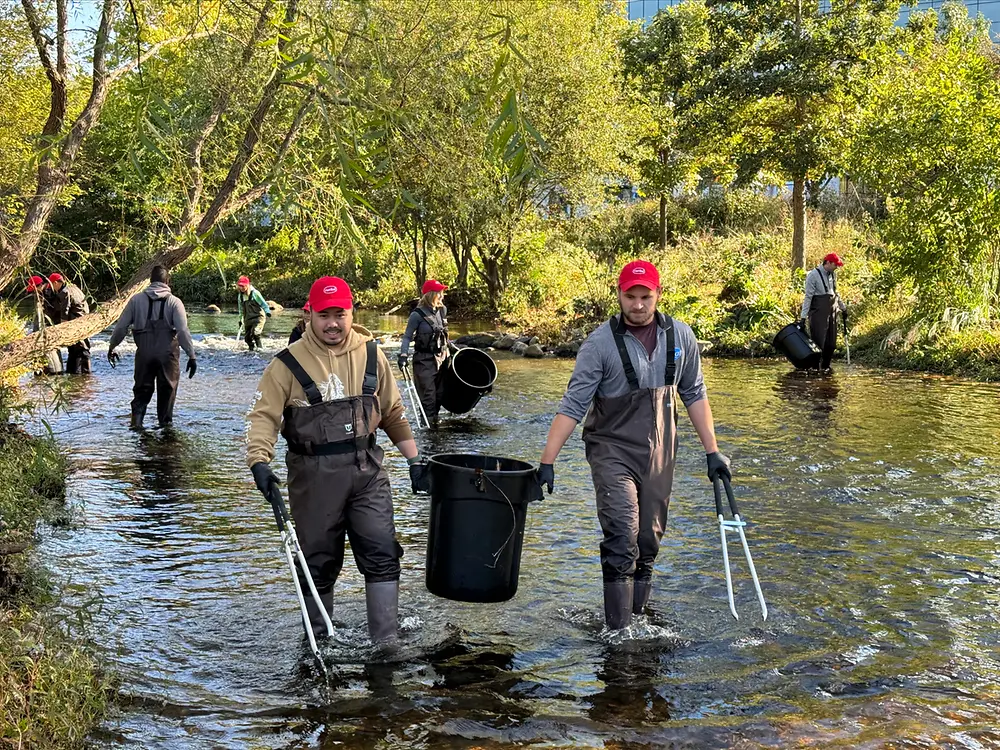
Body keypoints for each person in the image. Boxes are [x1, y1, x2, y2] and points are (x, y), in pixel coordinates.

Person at [536, 260, 732, 631]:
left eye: (646, 296)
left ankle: (639, 622)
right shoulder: (599, 345)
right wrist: (548, 461)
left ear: (658, 295)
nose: (638, 305)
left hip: (661, 452)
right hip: (611, 451)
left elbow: (694, 393)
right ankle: (619, 635)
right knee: (622, 534)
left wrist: (712, 451)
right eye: (631, 296)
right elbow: (573, 406)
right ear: (619, 295)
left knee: (648, 540)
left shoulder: (682, 337)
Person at [245, 276, 428, 644]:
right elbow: (263, 417)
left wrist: (415, 461)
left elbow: (392, 412)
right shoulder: (285, 364)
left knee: (381, 551)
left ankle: (386, 645)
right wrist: (259, 463)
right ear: (309, 314)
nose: (333, 323)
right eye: (324, 315)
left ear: (351, 311)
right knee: (318, 563)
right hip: (312, 479)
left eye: (340, 314)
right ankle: (318, 644)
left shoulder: (373, 354)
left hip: (368, 473)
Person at [107, 266, 198, 430]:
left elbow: (121, 327)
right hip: (168, 356)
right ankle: (165, 431)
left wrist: (112, 346)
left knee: (141, 392)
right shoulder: (175, 302)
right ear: (167, 281)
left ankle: (137, 427)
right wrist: (191, 355)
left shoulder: (135, 300)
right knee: (167, 392)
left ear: (150, 281)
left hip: (144, 355)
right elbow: (183, 331)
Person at [397, 279, 450, 425]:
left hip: (442, 358)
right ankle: (428, 430)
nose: (442, 295)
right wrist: (403, 355)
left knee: (440, 395)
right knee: (429, 397)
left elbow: (444, 336)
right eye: (439, 292)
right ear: (431, 294)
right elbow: (407, 336)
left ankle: (434, 425)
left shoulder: (442, 310)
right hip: (424, 361)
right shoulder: (417, 315)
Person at [800, 253, 847, 372]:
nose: (837, 267)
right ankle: (815, 368)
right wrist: (803, 318)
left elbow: (835, 293)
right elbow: (808, 297)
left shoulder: (833, 275)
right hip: (818, 312)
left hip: (832, 310)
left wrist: (843, 308)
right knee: (818, 342)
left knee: (831, 344)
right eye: (835, 265)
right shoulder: (812, 275)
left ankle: (826, 366)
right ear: (828, 263)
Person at [48, 273, 91, 374]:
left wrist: (62, 329)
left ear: (56, 283)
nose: (53, 289)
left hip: (76, 321)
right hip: (84, 319)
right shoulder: (74, 287)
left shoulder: (64, 292)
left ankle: (80, 372)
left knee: (78, 348)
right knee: (78, 348)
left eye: (52, 285)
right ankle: (79, 375)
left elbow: (65, 310)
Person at [26, 275, 63, 375]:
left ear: (39, 286)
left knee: (50, 352)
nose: (33, 294)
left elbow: (45, 318)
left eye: (34, 291)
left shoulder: (48, 295)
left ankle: (52, 371)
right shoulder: (45, 293)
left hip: (47, 332)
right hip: (49, 331)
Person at [236, 275, 271, 351]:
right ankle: (251, 350)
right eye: (240, 286)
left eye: (243, 286)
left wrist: (267, 311)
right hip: (248, 319)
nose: (241, 288)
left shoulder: (255, 293)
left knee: (256, 333)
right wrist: (240, 320)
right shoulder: (240, 296)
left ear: (247, 285)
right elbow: (241, 309)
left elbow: (263, 304)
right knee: (247, 338)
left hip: (258, 317)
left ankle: (260, 349)